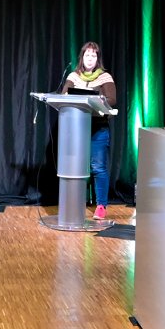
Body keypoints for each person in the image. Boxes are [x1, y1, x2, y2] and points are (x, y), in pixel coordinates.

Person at [61, 43, 118, 221]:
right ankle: (75, 202)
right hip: (76, 129)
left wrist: (93, 100)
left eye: (94, 56)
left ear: (97, 59)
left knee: (98, 167)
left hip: (98, 128)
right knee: (75, 166)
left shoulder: (105, 77)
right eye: (87, 55)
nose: (90, 59)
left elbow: (112, 100)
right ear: (82, 57)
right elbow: (64, 96)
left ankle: (101, 206)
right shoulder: (73, 76)